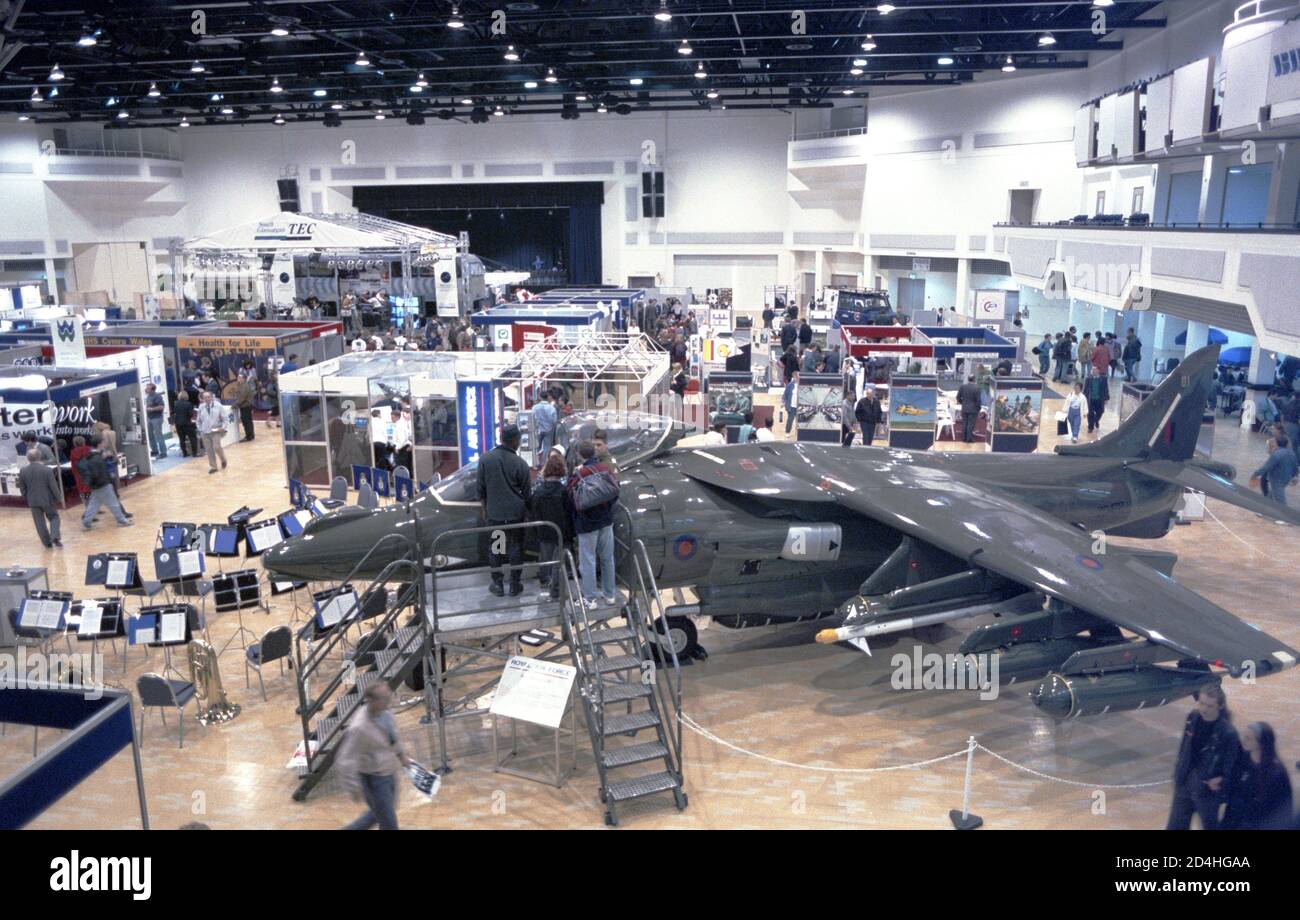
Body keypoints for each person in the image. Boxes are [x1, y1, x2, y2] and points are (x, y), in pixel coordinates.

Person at [336, 683, 409, 831]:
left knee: (378, 814)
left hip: (388, 771)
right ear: (371, 700)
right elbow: (345, 760)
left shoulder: (385, 713)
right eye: (384, 698)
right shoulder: (359, 727)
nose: (388, 701)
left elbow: (393, 736)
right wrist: (354, 789)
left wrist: (402, 756)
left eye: (389, 696)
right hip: (374, 779)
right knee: (389, 823)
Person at [1167, 685, 1239, 831]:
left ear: (1220, 706)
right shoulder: (1192, 718)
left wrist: (1221, 780)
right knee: (1175, 826)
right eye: (1201, 703)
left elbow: (1232, 766)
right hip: (1184, 782)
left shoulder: (1228, 733)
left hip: (1207, 791)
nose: (1204, 709)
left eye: (1210, 706)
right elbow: (1184, 746)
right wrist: (1178, 771)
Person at [477, 424, 531, 597]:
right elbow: (527, 493)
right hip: (515, 515)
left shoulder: (486, 459)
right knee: (515, 548)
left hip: (495, 514)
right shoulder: (520, 463)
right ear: (514, 440)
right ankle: (515, 585)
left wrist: (485, 509)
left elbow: (480, 489)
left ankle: (498, 585)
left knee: (497, 549)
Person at [568, 440, 619, 607]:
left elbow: (571, 497)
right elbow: (615, 493)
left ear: (579, 455)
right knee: (607, 558)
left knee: (588, 561)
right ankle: (610, 594)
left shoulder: (579, 474)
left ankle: (590, 598)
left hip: (587, 525)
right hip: (606, 522)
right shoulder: (606, 469)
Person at [1221, 722, 1293, 830]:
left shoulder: (1276, 773)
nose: (1243, 740)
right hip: (1235, 819)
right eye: (1244, 736)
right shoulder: (1242, 759)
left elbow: (1283, 808)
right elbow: (1233, 789)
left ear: (1261, 743)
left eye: (1249, 738)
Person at [528, 453, 573, 600]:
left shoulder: (538, 492)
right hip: (562, 532)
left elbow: (533, 513)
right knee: (559, 563)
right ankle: (556, 591)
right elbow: (570, 513)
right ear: (561, 470)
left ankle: (544, 582)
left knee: (545, 558)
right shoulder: (564, 492)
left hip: (544, 532)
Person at [78, 445, 133, 529]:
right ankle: (122, 520)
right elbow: (99, 473)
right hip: (103, 484)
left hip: (95, 486)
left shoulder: (90, 458)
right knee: (113, 503)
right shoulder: (97, 459)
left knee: (94, 504)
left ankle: (86, 522)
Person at [19, 449, 62, 548]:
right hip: (47, 499)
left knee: (39, 522)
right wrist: (59, 498)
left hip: (33, 501)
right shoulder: (47, 470)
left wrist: (27, 498)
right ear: (40, 457)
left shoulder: (23, 471)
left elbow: (22, 488)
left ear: (28, 458)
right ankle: (55, 536)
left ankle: (47, 543)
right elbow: (53, 486)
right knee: (54, 517)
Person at [1252, 434, 1299, 505]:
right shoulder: (1291, 453)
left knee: (1280, 501)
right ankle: (1263, 509)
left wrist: (1256, 474)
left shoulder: (1277, 454)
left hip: (1277, 479)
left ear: (1277, 443)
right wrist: (1295, 476)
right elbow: (1295, 466)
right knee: (1271, 495)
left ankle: (1283, 514)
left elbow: (1266, 467)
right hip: (1286, 479)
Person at [196, 390, 228, 474]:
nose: (207, 399)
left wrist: (223, 428)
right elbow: (198, 420)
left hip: (216, 430)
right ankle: (213, 466)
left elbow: (225, 419)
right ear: (202, 399)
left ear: (211, 397)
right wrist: (200, 429)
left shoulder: (218, 406)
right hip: (205, 432)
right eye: (205, 397)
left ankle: (223, 459)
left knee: (217, 447)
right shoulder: (201, 407)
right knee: (209, 450)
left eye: (208, 397)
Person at [533, 389, 558, 464]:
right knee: (547, 447)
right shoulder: (551, 408)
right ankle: (544, 464)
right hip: (549, 430)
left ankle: (535, 463)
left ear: (540, 397)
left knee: (536, 446)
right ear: (547, 397)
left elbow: (533, 418)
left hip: (538, 429)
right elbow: (554, 421)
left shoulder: (535, 407)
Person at [955, 375, 983, 443]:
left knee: (964, 423)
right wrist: (978, 409)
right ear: (974, 379)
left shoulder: (963, 387)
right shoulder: (977, 388)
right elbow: (978, 400)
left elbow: (958, 397)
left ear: (968, 379)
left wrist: (963, 403)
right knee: (971, 424)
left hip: (964, 408)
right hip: (973, 409)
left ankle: (964, 438)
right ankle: (969, 439)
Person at [172, 390, 198, 458]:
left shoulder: (175, 403)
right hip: (187, 424)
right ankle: (194, 453)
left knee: (181, 439)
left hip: (178, 424)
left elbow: (173, 412)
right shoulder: (188, 404)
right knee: (193, 438)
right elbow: (190, 414)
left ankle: (184, 453)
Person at [144, 383, 167, 459]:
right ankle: (154, 450)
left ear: (152, 389)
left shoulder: (157, 396)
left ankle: (163, 452)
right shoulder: (148, 397)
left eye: (148, 388)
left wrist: (152, 409)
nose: (146, 389)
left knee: (159, 436)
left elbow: (161, 407)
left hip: (157, 418)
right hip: (149, 418)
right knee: (150, 435)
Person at [783, 369, 799, 434]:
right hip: (791, 406)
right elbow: (785, 395)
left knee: (798, 421)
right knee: (790, 420)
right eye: (796, 377)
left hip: (798, 406)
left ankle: (797, 431)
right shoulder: (789, 385)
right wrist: (784, 403)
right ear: (794, 377)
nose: (798, 378)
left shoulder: (801, 385)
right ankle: (787, 432)